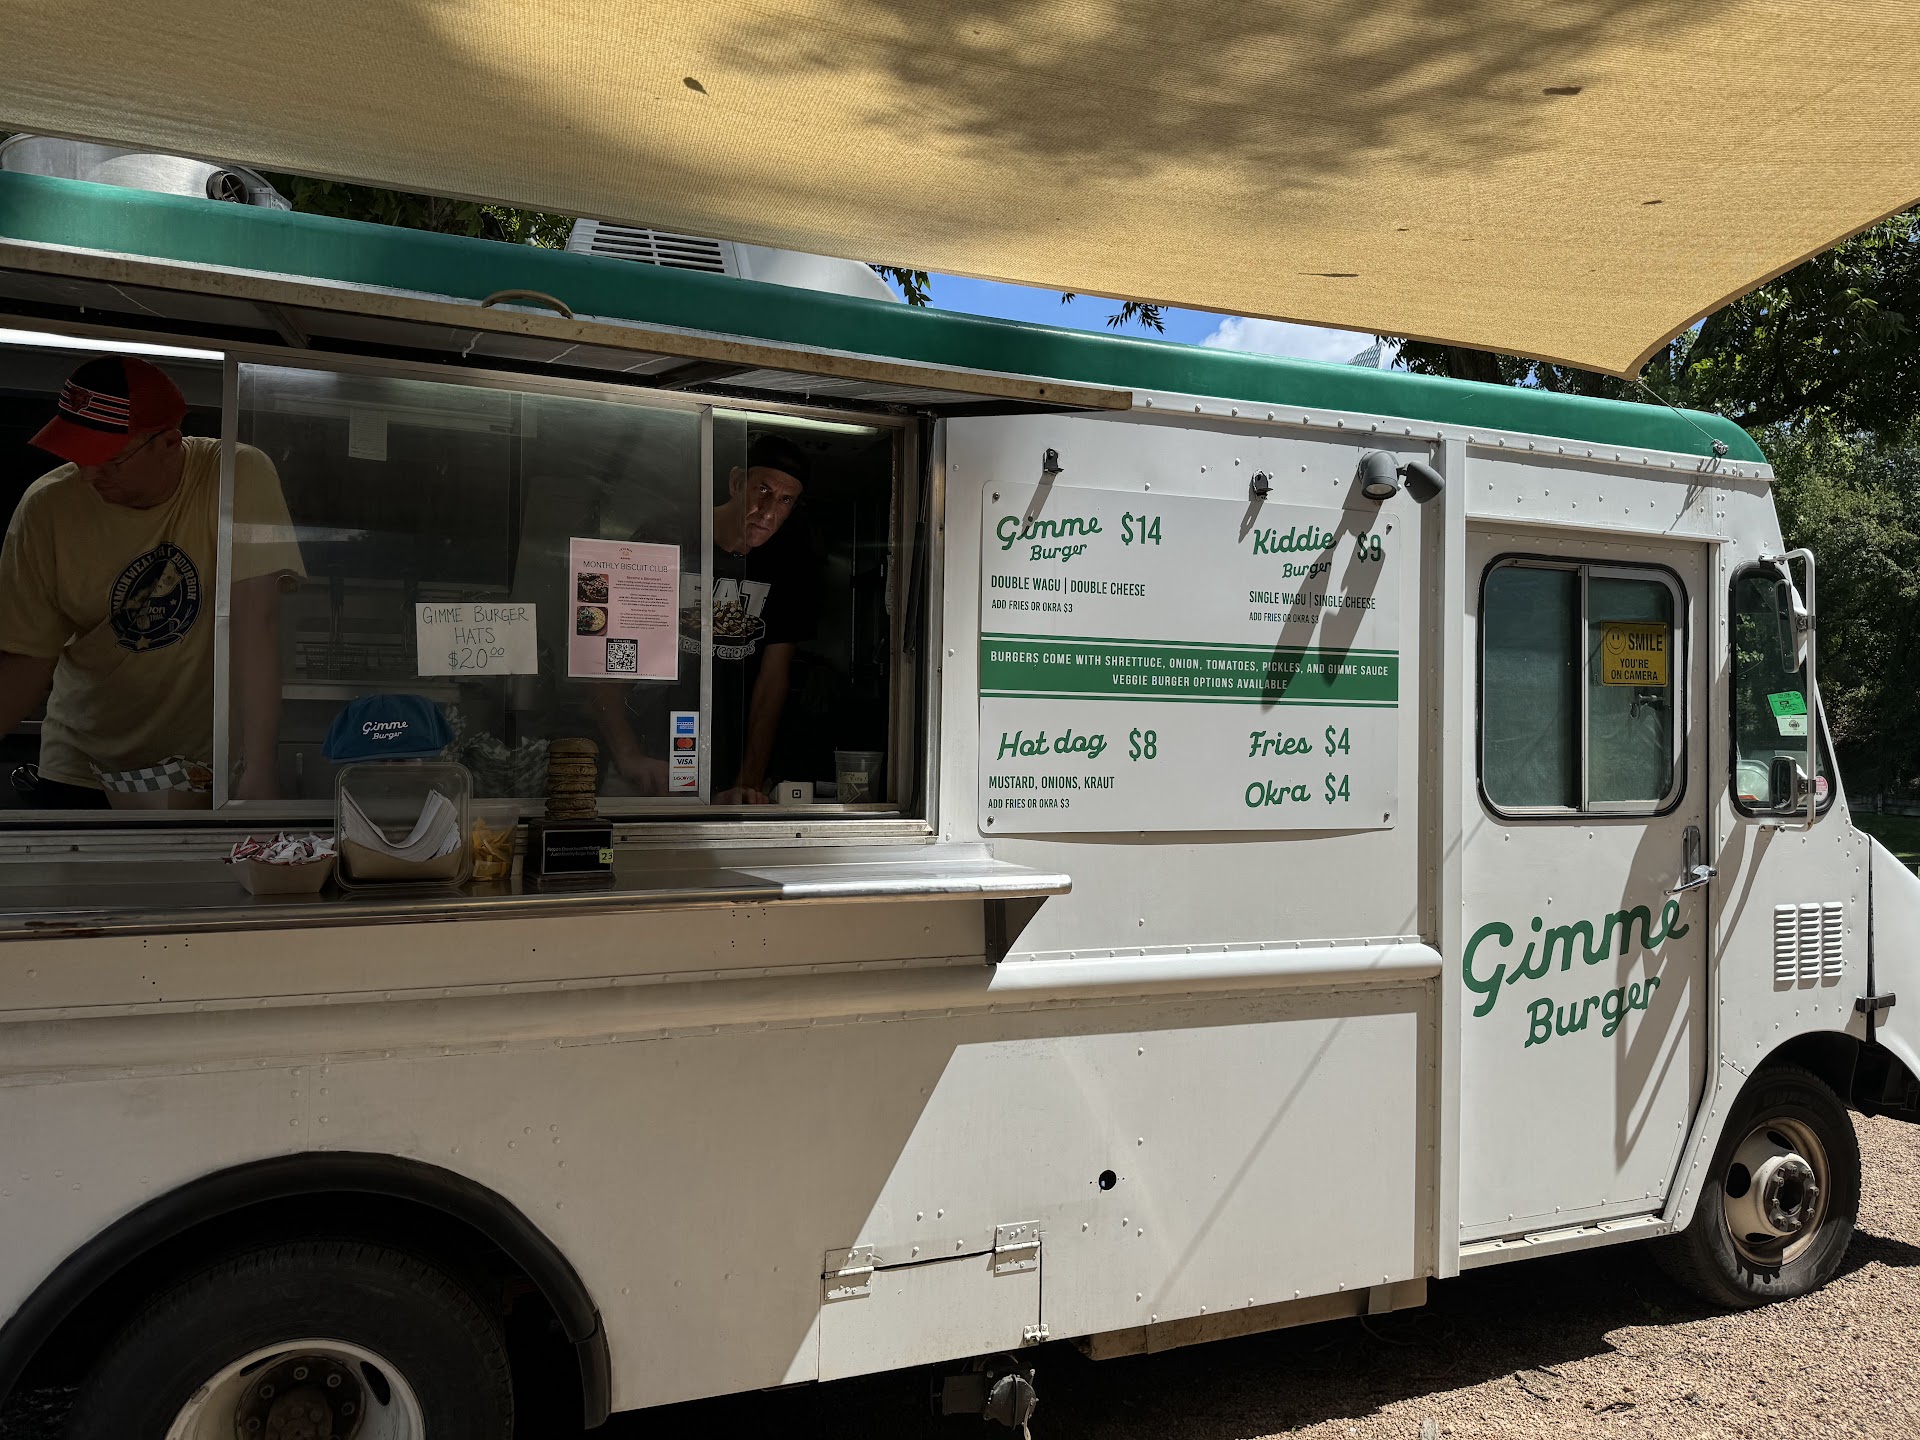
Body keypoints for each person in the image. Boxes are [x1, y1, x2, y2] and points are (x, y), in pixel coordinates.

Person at [0, 356, 304, 807]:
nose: (89, 474)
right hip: (84, 766)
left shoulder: (235, 475)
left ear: (169, 443)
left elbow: (254, 623)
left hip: (200, 771)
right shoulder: (46, 507)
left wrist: (258, 770)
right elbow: (28, 656)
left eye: (109, 459)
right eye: (77, 455)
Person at [593, 433, 819, 804]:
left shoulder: (789, 563)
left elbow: (772, 681)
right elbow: (612, 649)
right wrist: (629, 755)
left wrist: (749, 781)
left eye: (784, 500)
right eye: (762, 490)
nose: (768, 512)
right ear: (736, 482)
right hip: (647, 762)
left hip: (728, 770)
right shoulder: (666, 537)